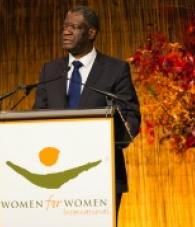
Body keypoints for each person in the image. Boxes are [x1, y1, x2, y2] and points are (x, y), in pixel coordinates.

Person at [33, 5, 141, 223]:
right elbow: (37, 116)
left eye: (74, 27)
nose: (66, 32)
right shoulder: (50, 70)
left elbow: (131, 116)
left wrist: (114, 136)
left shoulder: (115, 69)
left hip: (102, 174)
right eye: (65, 27)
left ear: (91, 33)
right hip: (56, 175)